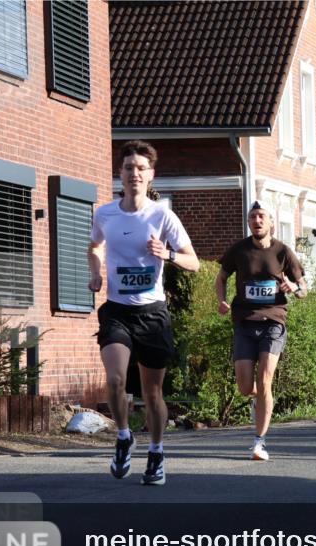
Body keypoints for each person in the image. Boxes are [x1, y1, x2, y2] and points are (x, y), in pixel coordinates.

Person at [89, 140, 200, 486]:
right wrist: (95, 271)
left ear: (150, 175)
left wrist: (166, 255)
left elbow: (193, 262)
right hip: (117, 312)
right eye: (128, 167)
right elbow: (94, 246)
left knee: (153, 394)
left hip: (152, 313)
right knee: (116, 379)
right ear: (119, 173)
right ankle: (123, 437)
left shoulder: (162, 215)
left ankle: (156, 451)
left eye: (140, 168)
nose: (134, 173)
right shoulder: (105, 214)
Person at [216, 202, 307, 460]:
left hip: (273, 322)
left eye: (261, 217)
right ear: (249, 222)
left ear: (271, 223)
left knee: (264, 380)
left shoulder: (283, 252)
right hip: (244, 322)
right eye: (253, 217)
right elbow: (221, 277)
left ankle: (259, 442)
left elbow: (304, 290)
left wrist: (293, 288)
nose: (257, 220)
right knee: (246, 387)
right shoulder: (239, 250)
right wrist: (222, 300)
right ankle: (261, 400)